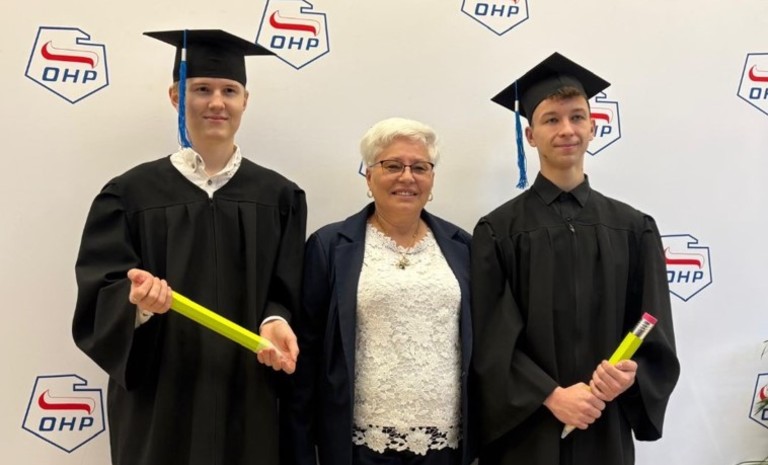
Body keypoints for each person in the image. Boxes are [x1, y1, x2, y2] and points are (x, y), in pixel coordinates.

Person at [72, 29, 306, 465]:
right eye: (201, 89)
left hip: (247, 391)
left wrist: (276, 318)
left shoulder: (279, 197)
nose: (216, 102)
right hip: (159, 396)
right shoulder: (129, 194)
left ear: (245, 101)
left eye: (229, 91)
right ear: (176, 96)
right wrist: (137, 306)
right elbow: (101, 290)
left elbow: (288, 285)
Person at [470, 52, 680, 465]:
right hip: (527, 430)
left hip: (604, 420)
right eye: (551, 119)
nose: (566, 129)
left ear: (593, 127)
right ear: (530, 135)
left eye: (577, 117)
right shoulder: (498, 231)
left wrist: (631, 375)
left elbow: (652, 327)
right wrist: (550, 395)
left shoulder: (633, 228)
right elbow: (491, 339)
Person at [281, 117, 476, 465]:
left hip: (446, 445)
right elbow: (307, 355)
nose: (407, 177)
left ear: (432, 179)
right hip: (361, 447)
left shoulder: (463, 247)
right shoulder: (329, 247)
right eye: (393, 166)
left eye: (420, 167)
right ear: (369, 176)